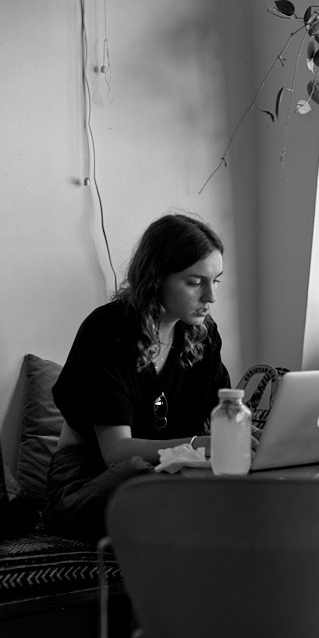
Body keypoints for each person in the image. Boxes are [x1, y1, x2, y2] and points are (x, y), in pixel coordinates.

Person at [43, 213, 233, 543]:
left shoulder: (203, 334)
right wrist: (198, 446)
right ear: (156, 278)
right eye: (194, 282)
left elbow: (217, 420)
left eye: (215, 280)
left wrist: (248, 434)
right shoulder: (106, 331)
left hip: (167, 473)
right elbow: (117, 453)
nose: (211, 297)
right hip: (90, 481)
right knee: (151, 488)